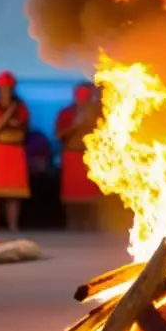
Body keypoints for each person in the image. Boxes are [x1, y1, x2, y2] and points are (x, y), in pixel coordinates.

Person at [0, 71, 31, 232]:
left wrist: (12, 123)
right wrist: (8, 116)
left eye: (8, 88)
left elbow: (24, 129)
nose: (5, 91)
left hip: (16, 150)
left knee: (14, 193)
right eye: (2, 88)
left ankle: (13, 226)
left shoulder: (21, 106)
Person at [55, 82, 103, 231]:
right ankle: (72, 225)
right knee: (71, 195)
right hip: (71, 155)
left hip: (90, 157)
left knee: (92, 196)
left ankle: (92, 226)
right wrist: (76, 125)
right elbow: (59, 135)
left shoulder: (98, 114)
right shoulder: (66, 113)